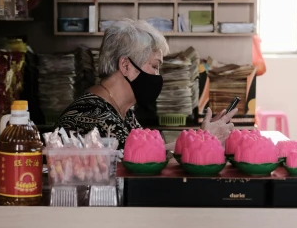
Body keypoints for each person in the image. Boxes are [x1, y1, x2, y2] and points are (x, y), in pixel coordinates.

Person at [56, 19, 236, 148]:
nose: (157, 76)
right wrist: (201, 142)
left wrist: (200, 138)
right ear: (125, 65)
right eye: (154, 66)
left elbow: (151, 155)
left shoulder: (123, 111)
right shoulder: (92, 118)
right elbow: (136, 168)